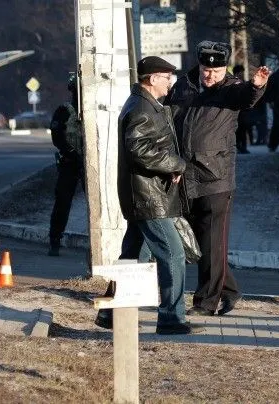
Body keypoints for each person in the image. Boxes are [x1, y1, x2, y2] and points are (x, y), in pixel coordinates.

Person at [96, 56, 203, 335]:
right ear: (153, 79)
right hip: (149, 198)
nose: (171, 82)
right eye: (167, 77)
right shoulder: (142, 108)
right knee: (172, 254)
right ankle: (171, 319)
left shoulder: (147, 104)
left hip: (148, 194)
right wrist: (176, 164)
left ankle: (110, 314)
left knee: (133, 258)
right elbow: (139, 150)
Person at [165, 41, 271, 317]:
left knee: (211, 242)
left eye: (216, 70)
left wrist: (257, 85)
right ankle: (230, 290)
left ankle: (205, 303)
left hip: (215, 178)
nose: (209, 75)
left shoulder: (230, 90)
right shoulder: (183, 86)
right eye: (205, 69)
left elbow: (246, 97)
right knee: (197, 241)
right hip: (184, 175)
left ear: (224, 69)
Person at [48, 73, 84, 256]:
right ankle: (55, 239)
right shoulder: (65, 110)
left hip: (87, 163)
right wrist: (71, 153)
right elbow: (57, 137)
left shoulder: (93, 110)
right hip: (70, 163)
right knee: (62, 202)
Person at [232, 64, 251, 154]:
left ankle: (243, 146)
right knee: (238, 130)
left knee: (243, 129)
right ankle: (239, 146)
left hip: (243, 111)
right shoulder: (232, 83)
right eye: (240, 73)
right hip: (235, 110)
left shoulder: (244, 82)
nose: (242, 74)